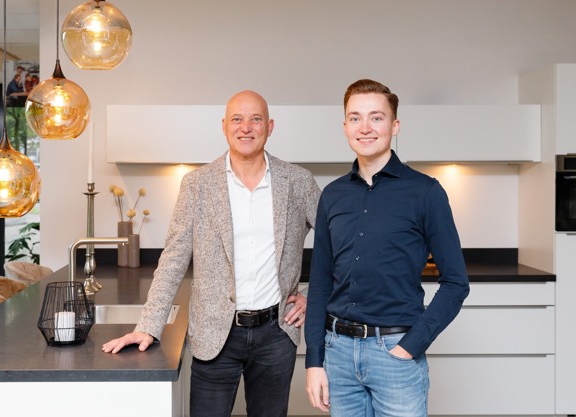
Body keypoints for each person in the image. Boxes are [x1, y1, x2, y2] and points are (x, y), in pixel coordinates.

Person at [102, 90, 321, 417]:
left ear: (270, 126)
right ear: (224, 126)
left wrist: (313, 296)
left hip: (276, 335)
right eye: (237, 119)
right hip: (214, 334)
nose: (246, 127)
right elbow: (173, 259)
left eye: (255, 119)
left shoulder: (298, 182)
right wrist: (148, 325)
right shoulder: (197, 184)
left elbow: (340, 245)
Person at [304, 79, 470, 416]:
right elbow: (320, 283)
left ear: (395, 126)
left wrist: (411, 346)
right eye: (355, 118)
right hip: (337, 355)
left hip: (396, 353)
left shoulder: (425, 192)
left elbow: (456, 283)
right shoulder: (332, 195)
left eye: (376, 118)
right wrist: (314, 360)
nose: (365, 127)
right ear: (345, 126)